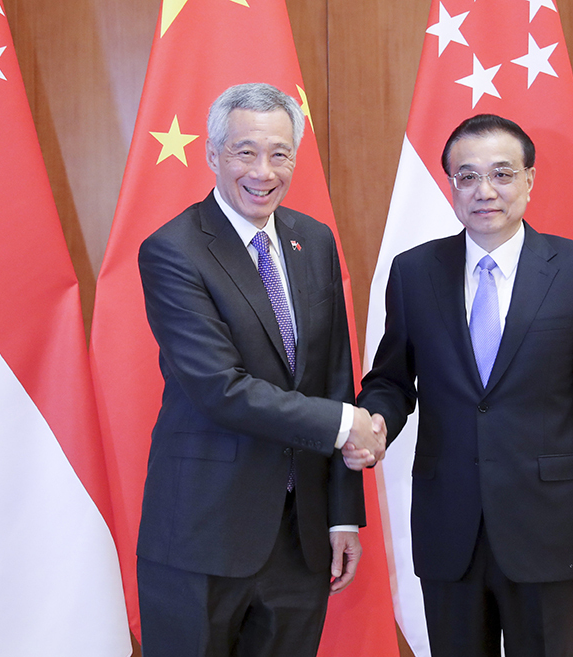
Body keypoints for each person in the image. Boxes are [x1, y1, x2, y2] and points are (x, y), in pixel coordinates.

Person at [358, 114, 573, 657]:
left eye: (502, 174)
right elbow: (391, 378)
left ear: (529, 180)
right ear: (451, 185)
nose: (485, 191)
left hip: (547, 527)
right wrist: (376, 420)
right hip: (448, 524)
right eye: (468, 176)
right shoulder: (414, 272)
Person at [135, 83, 385, 657]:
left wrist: (343, 515)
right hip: (204, 535)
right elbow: (219, 389)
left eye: (280, 154)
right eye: (245, 152)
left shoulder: (313, 240)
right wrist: (346, 425)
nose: (263, 172)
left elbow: (334, 378)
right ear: (213, 153)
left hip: (301, 537)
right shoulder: (173, 250)